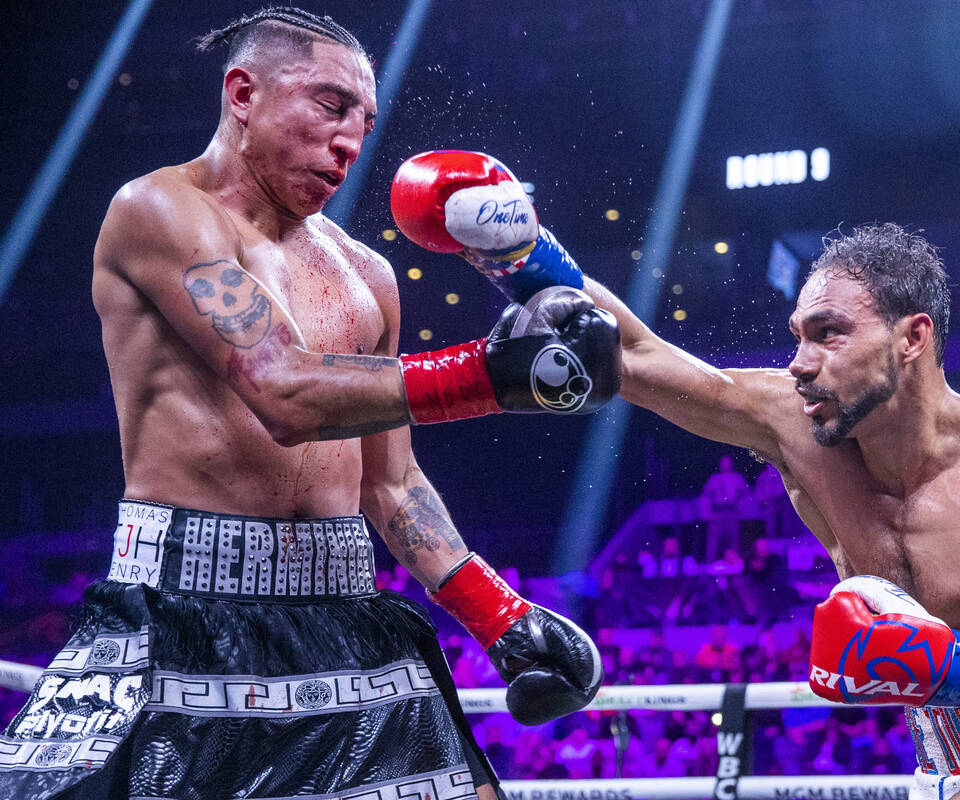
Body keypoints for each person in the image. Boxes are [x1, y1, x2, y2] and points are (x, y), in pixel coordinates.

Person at [0, 10, 618, 800]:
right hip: (183, 613)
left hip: (346, 613)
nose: (351, 144)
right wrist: (490, 375)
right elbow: (284, 391)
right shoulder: (159, 211)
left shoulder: (368, 275)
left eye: (363, 123)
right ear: (243, 93)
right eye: (330, 107)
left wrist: (496, 614)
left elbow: (390, 485)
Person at [399, 209, 960, 798]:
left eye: (829, 335)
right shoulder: (793, 424)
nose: (801, 363)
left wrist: (942, 663)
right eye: (797, 336)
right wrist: (515, 246)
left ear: (912, 338)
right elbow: (632, 353)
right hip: (957, 754)